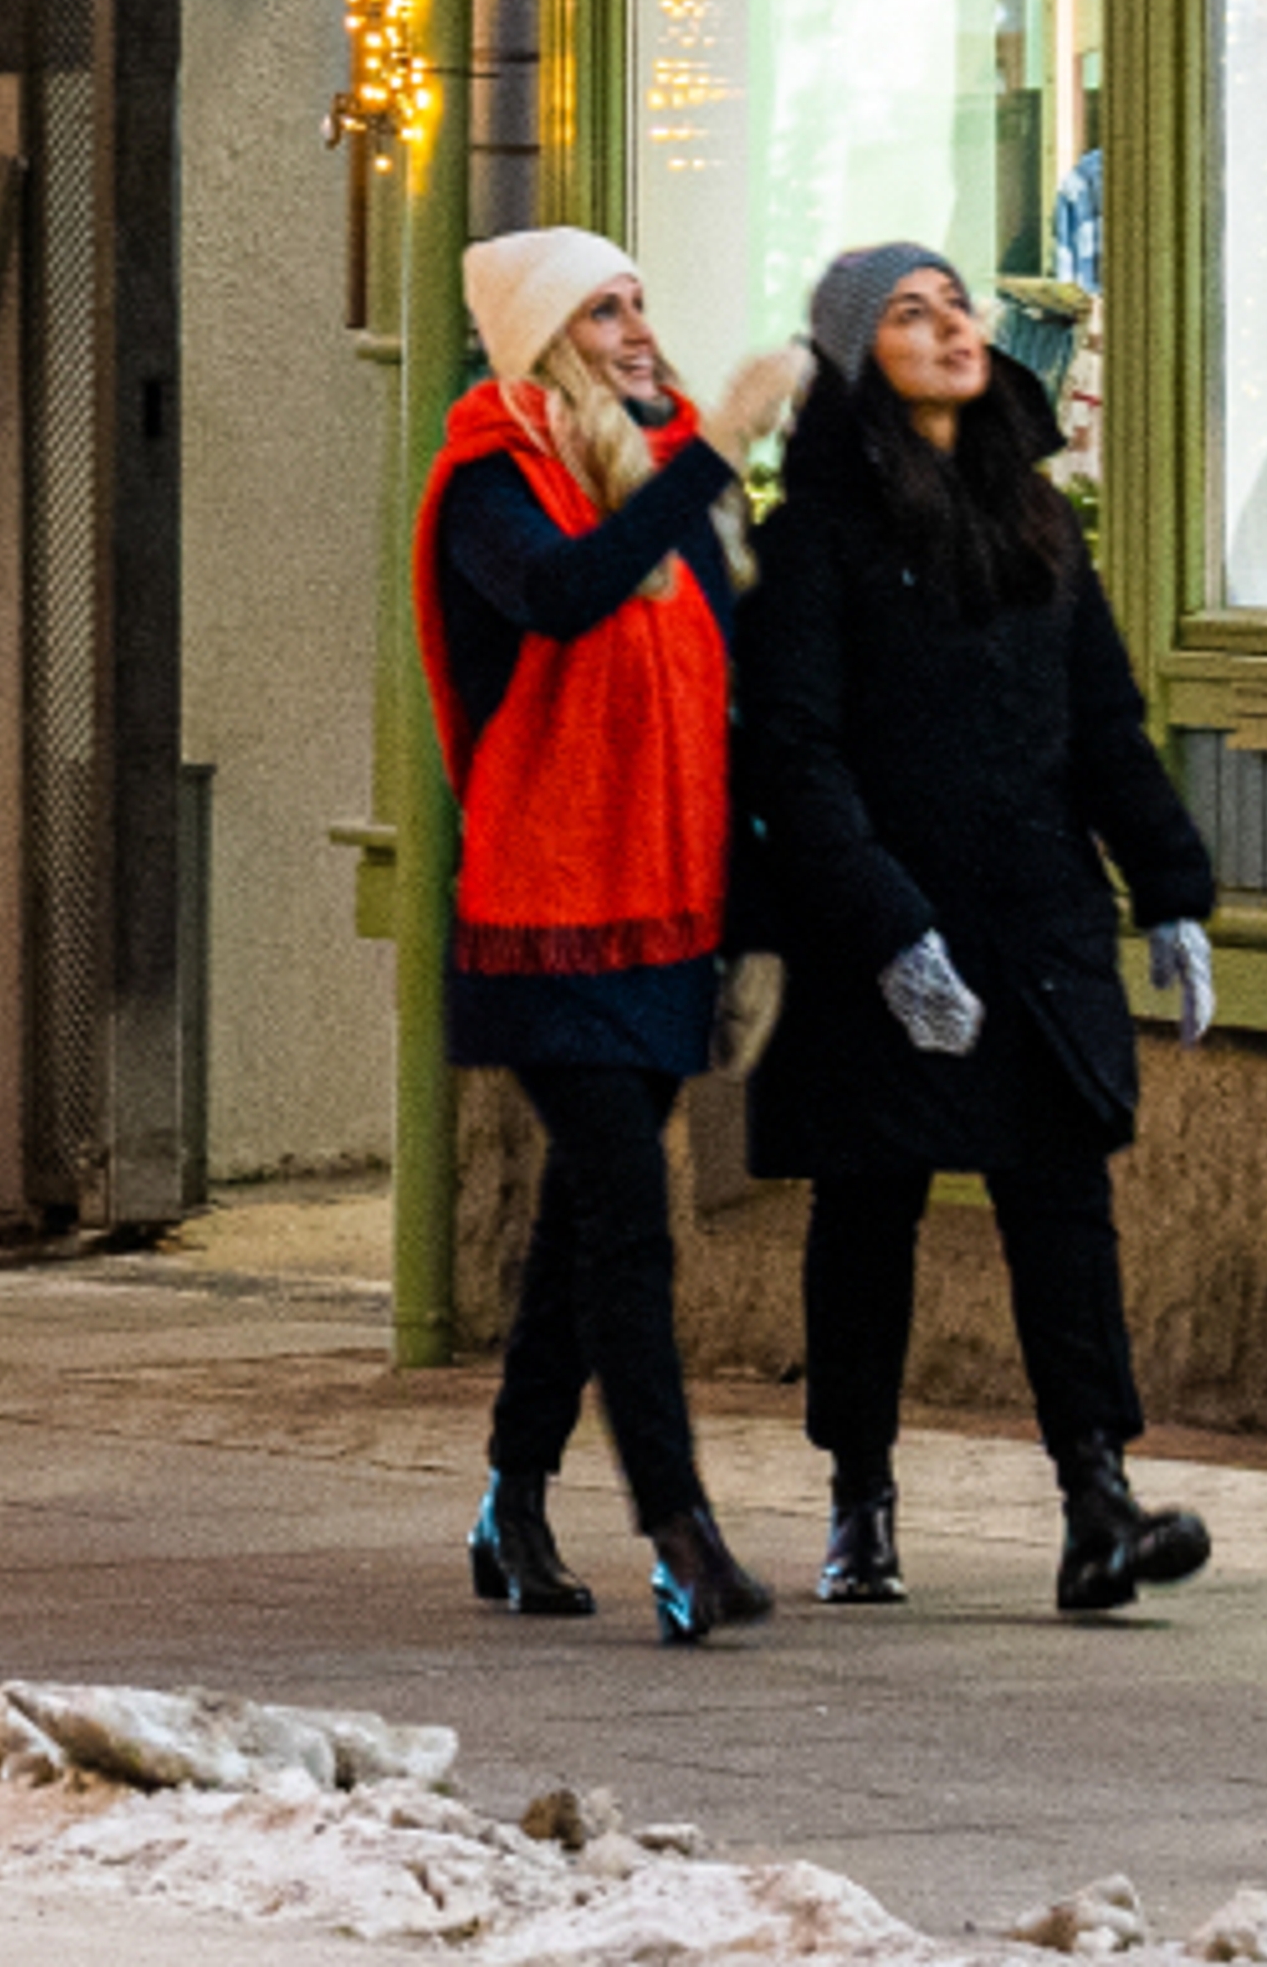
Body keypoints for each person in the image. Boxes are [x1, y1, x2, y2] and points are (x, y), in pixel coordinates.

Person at [736, 241, 1219, 1617]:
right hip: (878, 925)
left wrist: (1172, 895)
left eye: (954, 303)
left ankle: (1097, 1502)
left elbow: (1107, 730)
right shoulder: (814, 540)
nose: (951, 325)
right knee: (869, 1212)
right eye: (909, 311)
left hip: (1035, 918)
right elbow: (796, 758)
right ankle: (859, 1503)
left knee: (1064, 1204)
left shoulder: (1035, 523)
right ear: (852, 356)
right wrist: (889, 932)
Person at [412, 225, 810, 1643]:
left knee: (587, 1222)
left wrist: (756, 925)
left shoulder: (671, 475)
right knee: (631, 1224)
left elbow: (728, 713)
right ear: (538, 342)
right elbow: (570, 598)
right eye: (602, 313)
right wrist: (714, 456)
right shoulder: (489, 483)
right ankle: (682, 1537)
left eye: (642, 302)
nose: (638, 331)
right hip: (545, 917)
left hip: (667, 914)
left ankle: (511, 1501)